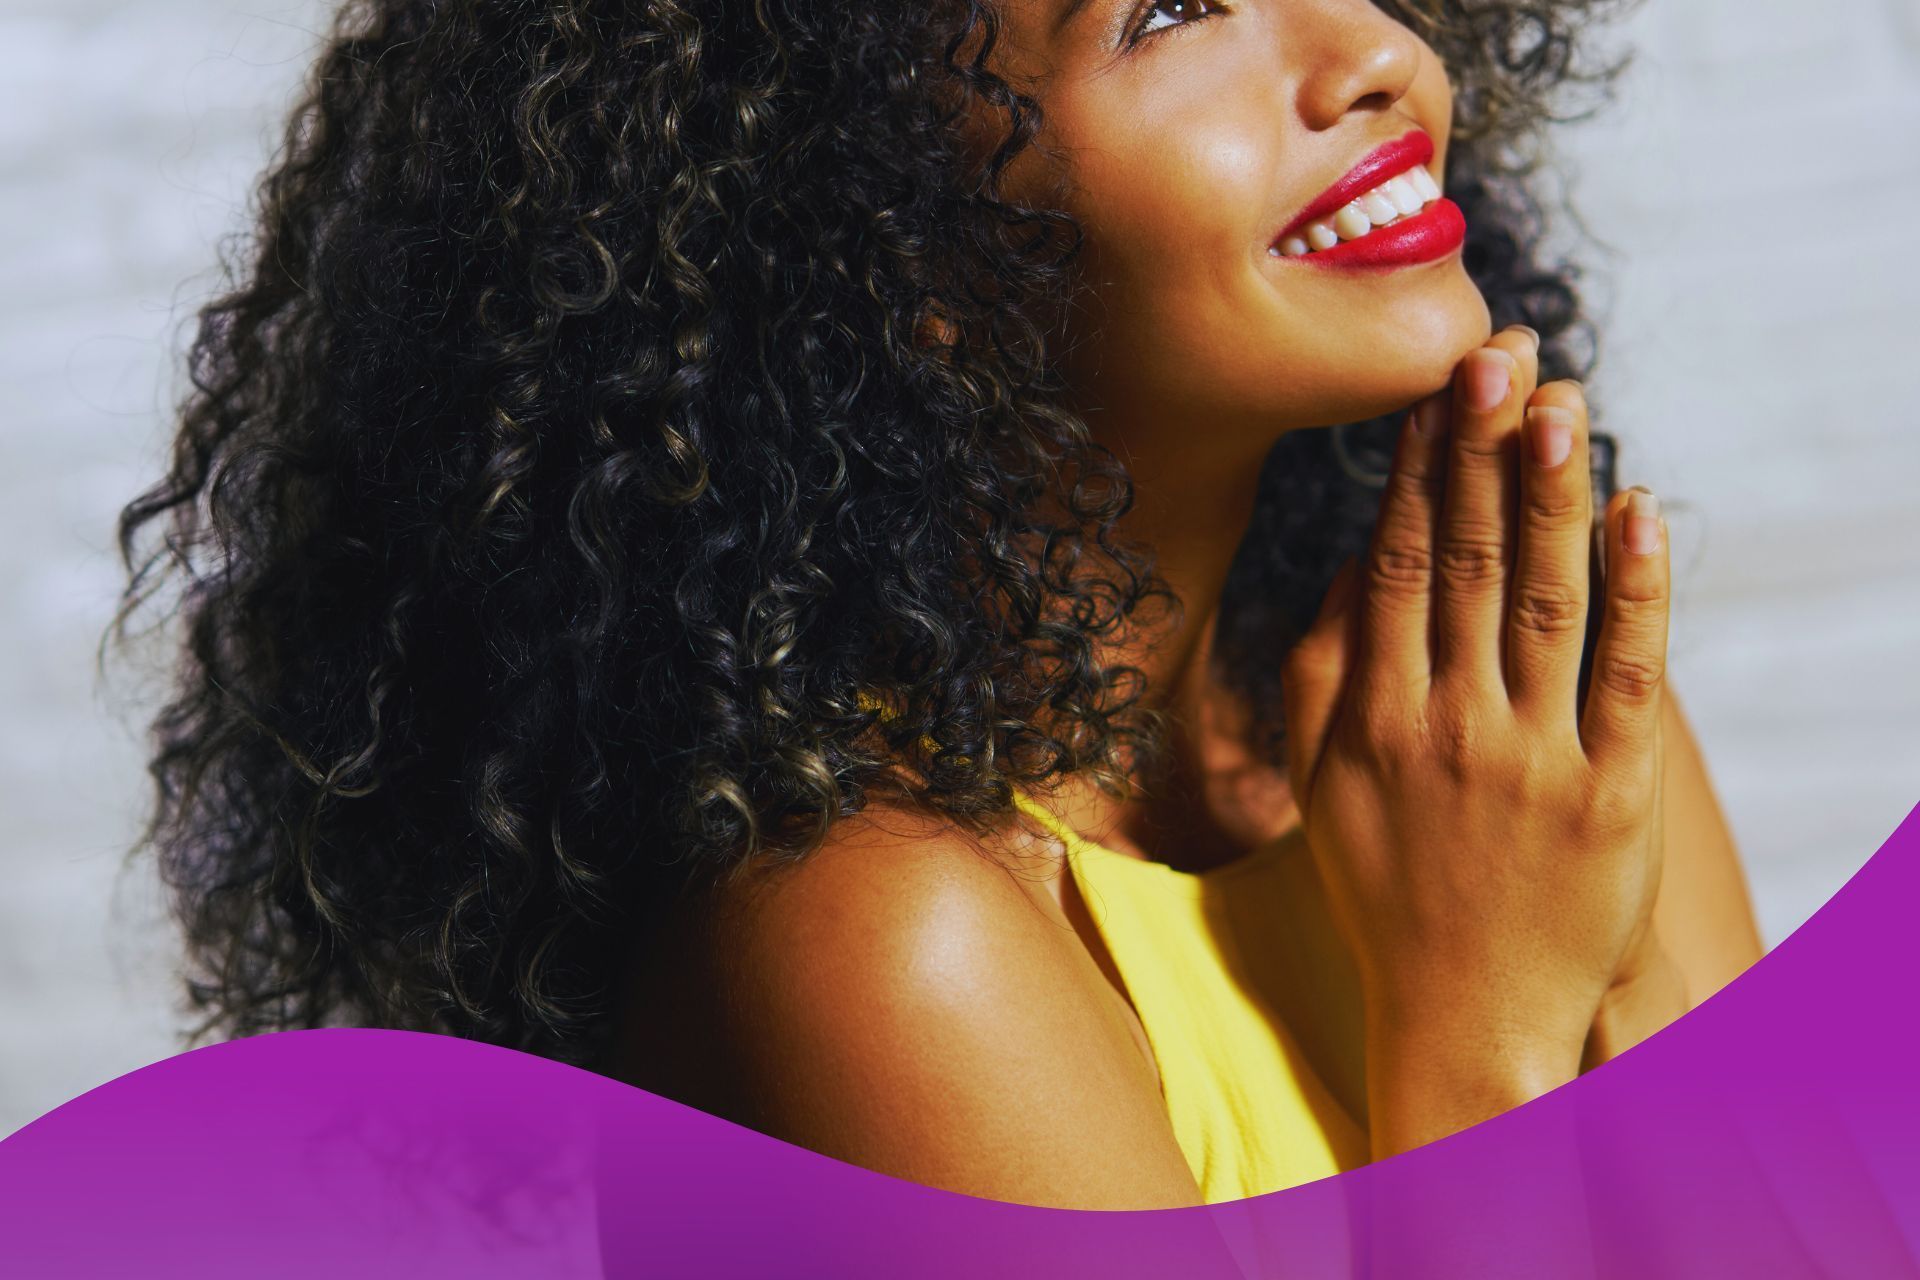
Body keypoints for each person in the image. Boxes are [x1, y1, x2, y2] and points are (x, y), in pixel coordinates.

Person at [107, 0, 1764, 1210]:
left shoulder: (1484, 730)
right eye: (1170, 10)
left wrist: (1570, 973)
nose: (1377, 52)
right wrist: (1485, 1039)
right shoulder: (882, 949)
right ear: (877, 246)